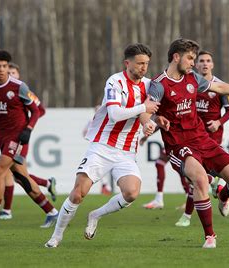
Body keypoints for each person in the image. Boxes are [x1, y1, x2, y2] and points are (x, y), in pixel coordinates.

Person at [141, 38, 229, 248]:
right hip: (178, 145)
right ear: (176, 57)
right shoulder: (159, 84)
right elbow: (146, 108)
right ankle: (210, 236)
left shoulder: (193, 79)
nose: (193, 63)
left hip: (203, 140)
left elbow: (219, 86)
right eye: (190, 58)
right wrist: (150, 122)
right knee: (200, 179)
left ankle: (223, 195)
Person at [44, 43, 159, 248]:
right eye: (140, 63)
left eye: (147, 64)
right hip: (102, 146)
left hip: (127, 151)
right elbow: (115, 114)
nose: (144, 67)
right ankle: (56, 236)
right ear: (127, 63)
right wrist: (144, 108)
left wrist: (150, 122)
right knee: (78, 192)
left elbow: (147, 112)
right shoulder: (115, 81)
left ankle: (95, 215)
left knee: (132, 193)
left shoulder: (150, 85)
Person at [0, 50, 58, 229]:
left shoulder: (19, 86)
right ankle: (52, 212)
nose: (2, 70)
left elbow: (36, 110)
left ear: (8, 67)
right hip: (2, 138)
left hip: (18, 137)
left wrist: (28, 129)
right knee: (22, 178)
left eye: (4, 66)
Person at [175, 50, 229, 227]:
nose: (205, 64)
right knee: (194, 176)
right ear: (196, 64)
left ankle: (189, 214)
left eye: (208, 61)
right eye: (201, 61)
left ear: (212, 64)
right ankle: (216, 188)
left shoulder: (220, 86)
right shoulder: (189, 83)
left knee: (198, 178)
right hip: (192, 136)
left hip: (212, 137)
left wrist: (218, 121)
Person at [0, 62, 57, 220]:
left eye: (13, 72)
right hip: (8, 138)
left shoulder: (23, 91)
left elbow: (40, 110)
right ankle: (48, 195)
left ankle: (5, 212)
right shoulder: (4, 91)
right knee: (18, 175)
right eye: (8, 72)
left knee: (15, 174)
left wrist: (26, 126)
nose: (10, 75)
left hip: (19, 138)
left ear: (18, 75)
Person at [82, 104, 112, 196]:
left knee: (105, 166)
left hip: (105, 146)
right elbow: (84, 133)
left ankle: (106, 186)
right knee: (99, 166)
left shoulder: (107, 119)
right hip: (98, 146)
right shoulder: (93, 120)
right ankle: (105, 186)